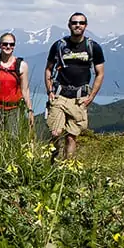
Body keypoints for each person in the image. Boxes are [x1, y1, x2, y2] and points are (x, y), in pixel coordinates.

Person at [44, 12, 105, 160]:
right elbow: (48, 69)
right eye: (75, 22)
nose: (78, 25)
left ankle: (67, 168)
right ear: (69, 25)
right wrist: (49, 91)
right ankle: (52, 164)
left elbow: (100, 73)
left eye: (81, 23)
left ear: (85, 26)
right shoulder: (59, 46)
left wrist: (91, 97)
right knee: (55, 133)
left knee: (72, 136)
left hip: (79, 98)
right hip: (60, 94)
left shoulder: (93, 47)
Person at [0, 32, 34, 136]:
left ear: (14, 46)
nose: (8, 46)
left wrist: (30, 110)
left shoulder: (21, 66)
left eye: (11, 44)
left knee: (13, 138)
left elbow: (25, 90)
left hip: (15, 109)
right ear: (0, 45)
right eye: (5, 44)